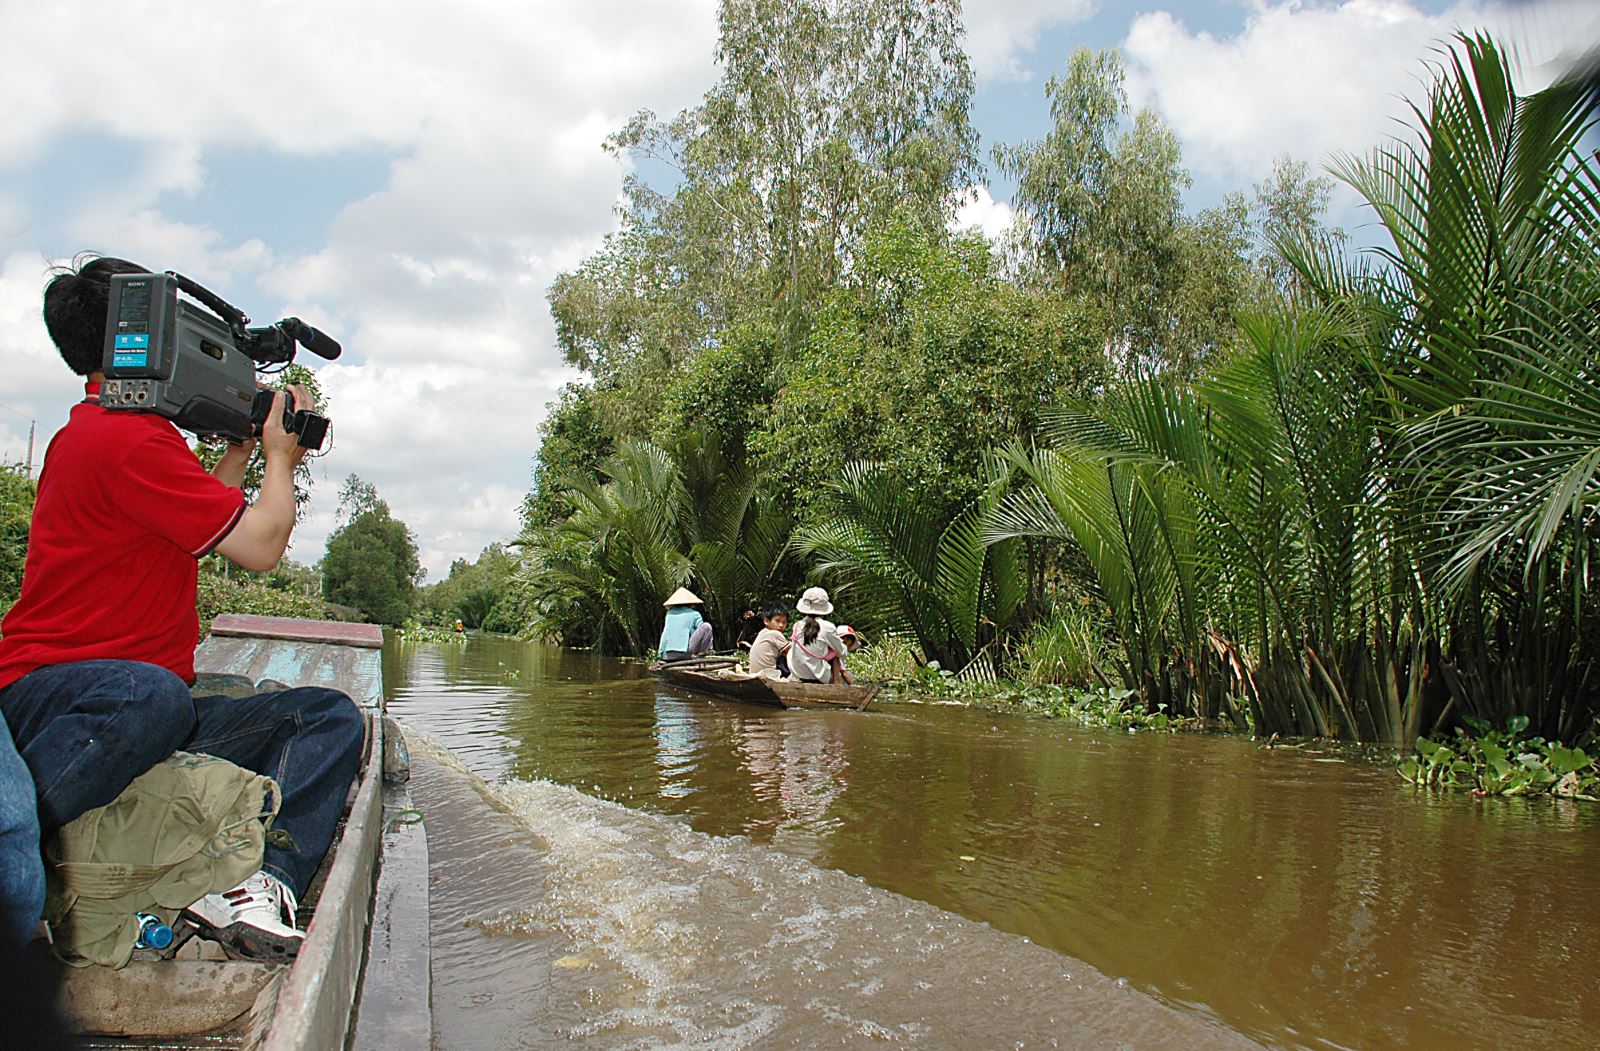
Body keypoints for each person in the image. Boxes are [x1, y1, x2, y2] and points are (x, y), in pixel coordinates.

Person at [0, 255, 365, 961]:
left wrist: (237, 456)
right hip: (61, 704)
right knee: (156, 696)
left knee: (325, 715)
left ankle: (262, 883)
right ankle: (33, 841)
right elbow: (259, 546)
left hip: (133, 703)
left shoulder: (114, 433)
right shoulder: (123, 439)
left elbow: (187, 538)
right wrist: (280, 457)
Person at [787, 587, 854, 685]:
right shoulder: (828, 627)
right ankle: (837, 683)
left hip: (797, 674)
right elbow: (842, 652)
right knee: (835, 654)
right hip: (819, 677)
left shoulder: (797, 625)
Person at [658, 587, 713, 661]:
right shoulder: (695, 614)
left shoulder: (669, 614)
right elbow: (704, 634)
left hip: (666, 655)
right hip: (683, 654)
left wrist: (660, 654)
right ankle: (702, 654)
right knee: (707, 627)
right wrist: (709, 648)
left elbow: (666, 634)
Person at [746, 604, 791, 679]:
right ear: (766, 621)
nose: (781, 625)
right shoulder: (775, 633)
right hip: (770, 676)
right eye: (777, 621)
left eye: (784, 622)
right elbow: (792, 652)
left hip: (755, 674)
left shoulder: (762, 632)